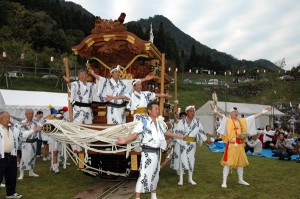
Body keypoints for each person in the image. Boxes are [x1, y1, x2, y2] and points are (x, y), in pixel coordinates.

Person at [116, 102, 185, 199]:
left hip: (157, 153)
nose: (157, 110)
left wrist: (177, 135)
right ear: (149, 111)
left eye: (158, 108)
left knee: (155, 173)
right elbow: (135, 134)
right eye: (156, 108)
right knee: (144, 174)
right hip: (147, 153)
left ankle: (153, 195)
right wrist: (125, 139)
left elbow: (165, 132)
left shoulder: (159, 123)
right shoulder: (143, 122)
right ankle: (137, 197)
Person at [211, 104, 272, 188]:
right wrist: (215, 111)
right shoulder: (228, 120)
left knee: (240, 163)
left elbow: (253, 117)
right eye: (234, 112)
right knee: (228, 163)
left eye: (237, 112)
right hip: (232, 145)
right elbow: (221, 115)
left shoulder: (241, 121)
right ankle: (224, 181)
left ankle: (240, 179)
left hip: (240, 145)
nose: (236, 113)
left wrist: (264, 111)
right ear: (231, 113)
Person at [89, 65, 153, 124]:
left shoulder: (123, 82)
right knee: (112, 125)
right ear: (112, 73)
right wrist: (93, 74)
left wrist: (145, 79)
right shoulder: (107, 82)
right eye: (116, 72)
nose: (117, 73)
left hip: (121, 108)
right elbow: (100, 79)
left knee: (122, 125)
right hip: (112, 108)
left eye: (118, 72)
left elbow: (134, 81)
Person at [0, 111, 41, 198]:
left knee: (11, 175)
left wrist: (33, 130)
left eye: (9, 117)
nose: (8, 119)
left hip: (11, 155)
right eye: (5, 118)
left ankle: (11, 193)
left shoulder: (12, 128)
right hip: (1, 157)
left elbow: (23, 135)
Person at [170, 105, 209, 185]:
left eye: (193, 111)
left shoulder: (197, 122)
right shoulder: (182, 122)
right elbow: (177, 132)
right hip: (183, 143)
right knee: (182, 160)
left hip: (192, 144)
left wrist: (206, 140)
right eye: (191, 111)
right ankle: (181, 179)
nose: (192, 113)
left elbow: (201, 132)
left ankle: (190, 179)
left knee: (191, 160)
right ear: (187, 112)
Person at [17, 109, 41, 180]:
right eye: (30, 114)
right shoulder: (22, 123)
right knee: (24, 157)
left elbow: (42, 126)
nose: (31, 115)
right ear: (26, 115)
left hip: (34, 142)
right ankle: (22, 173)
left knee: (33, 157)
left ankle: (31, 172)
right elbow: (22, 133)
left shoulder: (35, 123)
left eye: (32, 114)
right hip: (26, 143)